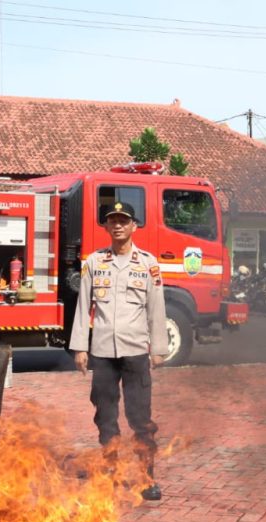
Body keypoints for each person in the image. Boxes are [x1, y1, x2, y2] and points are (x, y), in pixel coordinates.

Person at [69, 201, 169, 501]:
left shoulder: (148, 264)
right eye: (112, 221)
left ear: (134, 226)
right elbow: (83, 307)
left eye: (123, 221)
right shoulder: (94, 262)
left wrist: (158, 348)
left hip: (135, 351)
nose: (117, 226)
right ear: (106, 226)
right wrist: (80, 348)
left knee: (141, 419)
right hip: (102, 353)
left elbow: (156, 308)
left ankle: (147, 478)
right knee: (105, 416)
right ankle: (111, 472)